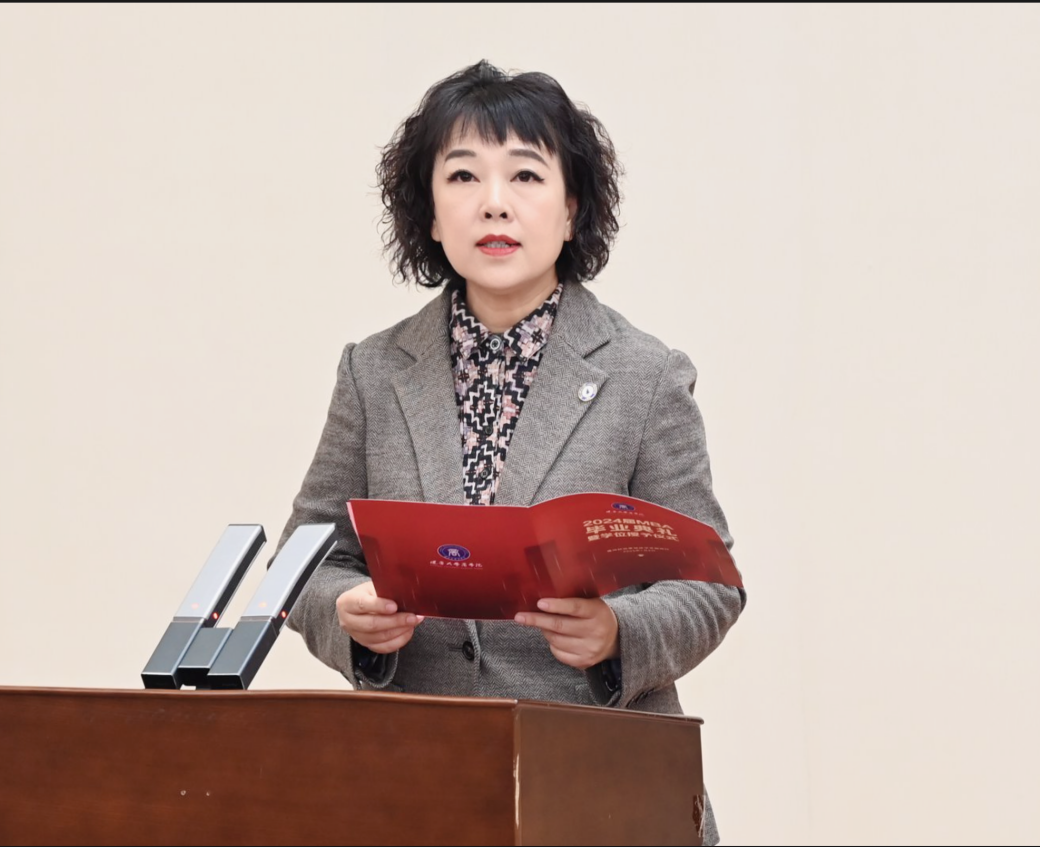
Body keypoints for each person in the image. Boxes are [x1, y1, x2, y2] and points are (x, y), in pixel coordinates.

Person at [279, 60, 745, 845]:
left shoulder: (645, 374)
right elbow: (305, 558)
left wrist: (617, 632)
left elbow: (710, 582)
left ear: (571, 208)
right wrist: (344, 611)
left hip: (602, 787)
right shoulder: (372, 370)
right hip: (414, 786)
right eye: (462, 175)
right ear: (430, 213)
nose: (493, 201)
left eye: (525, 174)